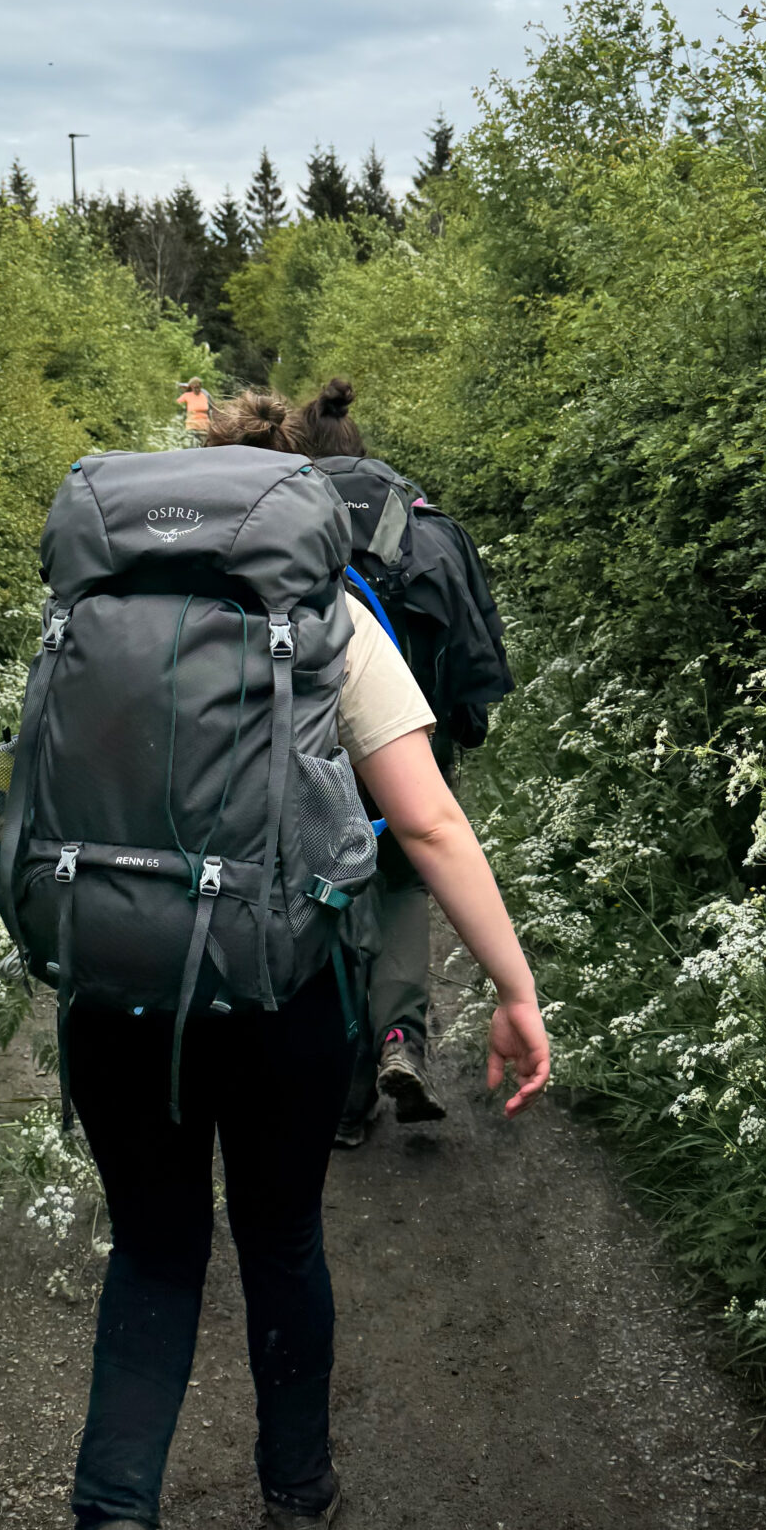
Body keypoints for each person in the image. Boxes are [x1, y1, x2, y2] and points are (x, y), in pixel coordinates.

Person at [15, 387, 549, 1530]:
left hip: (117, 997)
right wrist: (516, 990)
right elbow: (425, 825)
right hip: (278, 994)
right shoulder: (327, 617)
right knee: (280, 1239)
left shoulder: (87, 612)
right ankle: (297, 1505)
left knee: (151, 1255)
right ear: (292, 511)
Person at [289, 377, 515, 1144]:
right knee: (404, 883)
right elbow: (477, 655)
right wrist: (457, 730)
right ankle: (400, 1037)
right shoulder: (432, 529)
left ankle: (345, 1100)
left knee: (329, 893)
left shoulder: (281, 531)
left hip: (318, 752)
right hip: (414, 747)